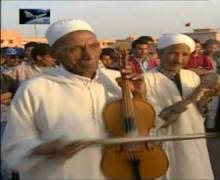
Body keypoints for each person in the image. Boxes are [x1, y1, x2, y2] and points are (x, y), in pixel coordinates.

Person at [1, 19, 141, 180]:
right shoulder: (34, 89)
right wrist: (44, 148)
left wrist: (140, 97)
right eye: (75, 49)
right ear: (55, 54)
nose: (89, 55)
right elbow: (12, 148)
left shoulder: (118, 80)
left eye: (94, 46)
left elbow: (144, 129)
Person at [143, 33, 220, 179]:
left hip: (193, 137)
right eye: (173, 53)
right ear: (160, 53)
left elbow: (199, 112)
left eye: (185, 54)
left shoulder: (191, 76)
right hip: (166, 140)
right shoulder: (146, 80)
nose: (179, 60)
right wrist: (194, 95)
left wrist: (206, 98)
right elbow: (154, 118)